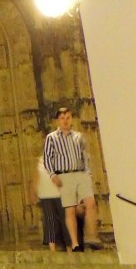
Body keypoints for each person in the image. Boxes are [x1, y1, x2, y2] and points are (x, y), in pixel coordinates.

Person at [43, 106, 103, 252]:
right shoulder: (51, 138)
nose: (65, 121)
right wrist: (53, 175)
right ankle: (75, 243)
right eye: (62, 118)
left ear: (72, 119)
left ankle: (91, 237)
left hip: (81, 173)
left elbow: (85, 157)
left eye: (68, 118)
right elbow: (47, 158)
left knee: (90, 203)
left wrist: (88, 172)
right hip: (64, 175)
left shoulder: (79, 137)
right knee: (69, 210)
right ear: (58, 120)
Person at [30, 156, 70, 252]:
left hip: (60, 193)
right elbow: (36, 178)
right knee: (50, 221)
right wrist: (34, 193)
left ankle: (68, 246)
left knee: (64, 220)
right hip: (46, 194)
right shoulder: (41, 160)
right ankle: (53, 247)